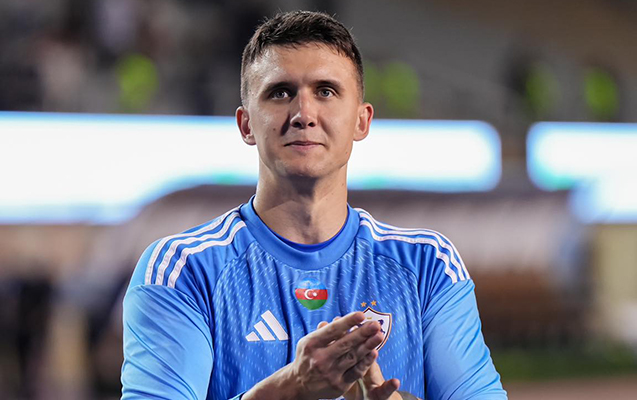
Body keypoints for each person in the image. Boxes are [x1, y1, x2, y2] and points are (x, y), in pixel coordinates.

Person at [121, 10, 507, 400]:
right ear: (246, 125)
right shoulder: (184, 270)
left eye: (325, 91)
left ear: (361, 121)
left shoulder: (427, 265)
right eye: (280, 93)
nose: (303, 115)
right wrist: (292, 386)